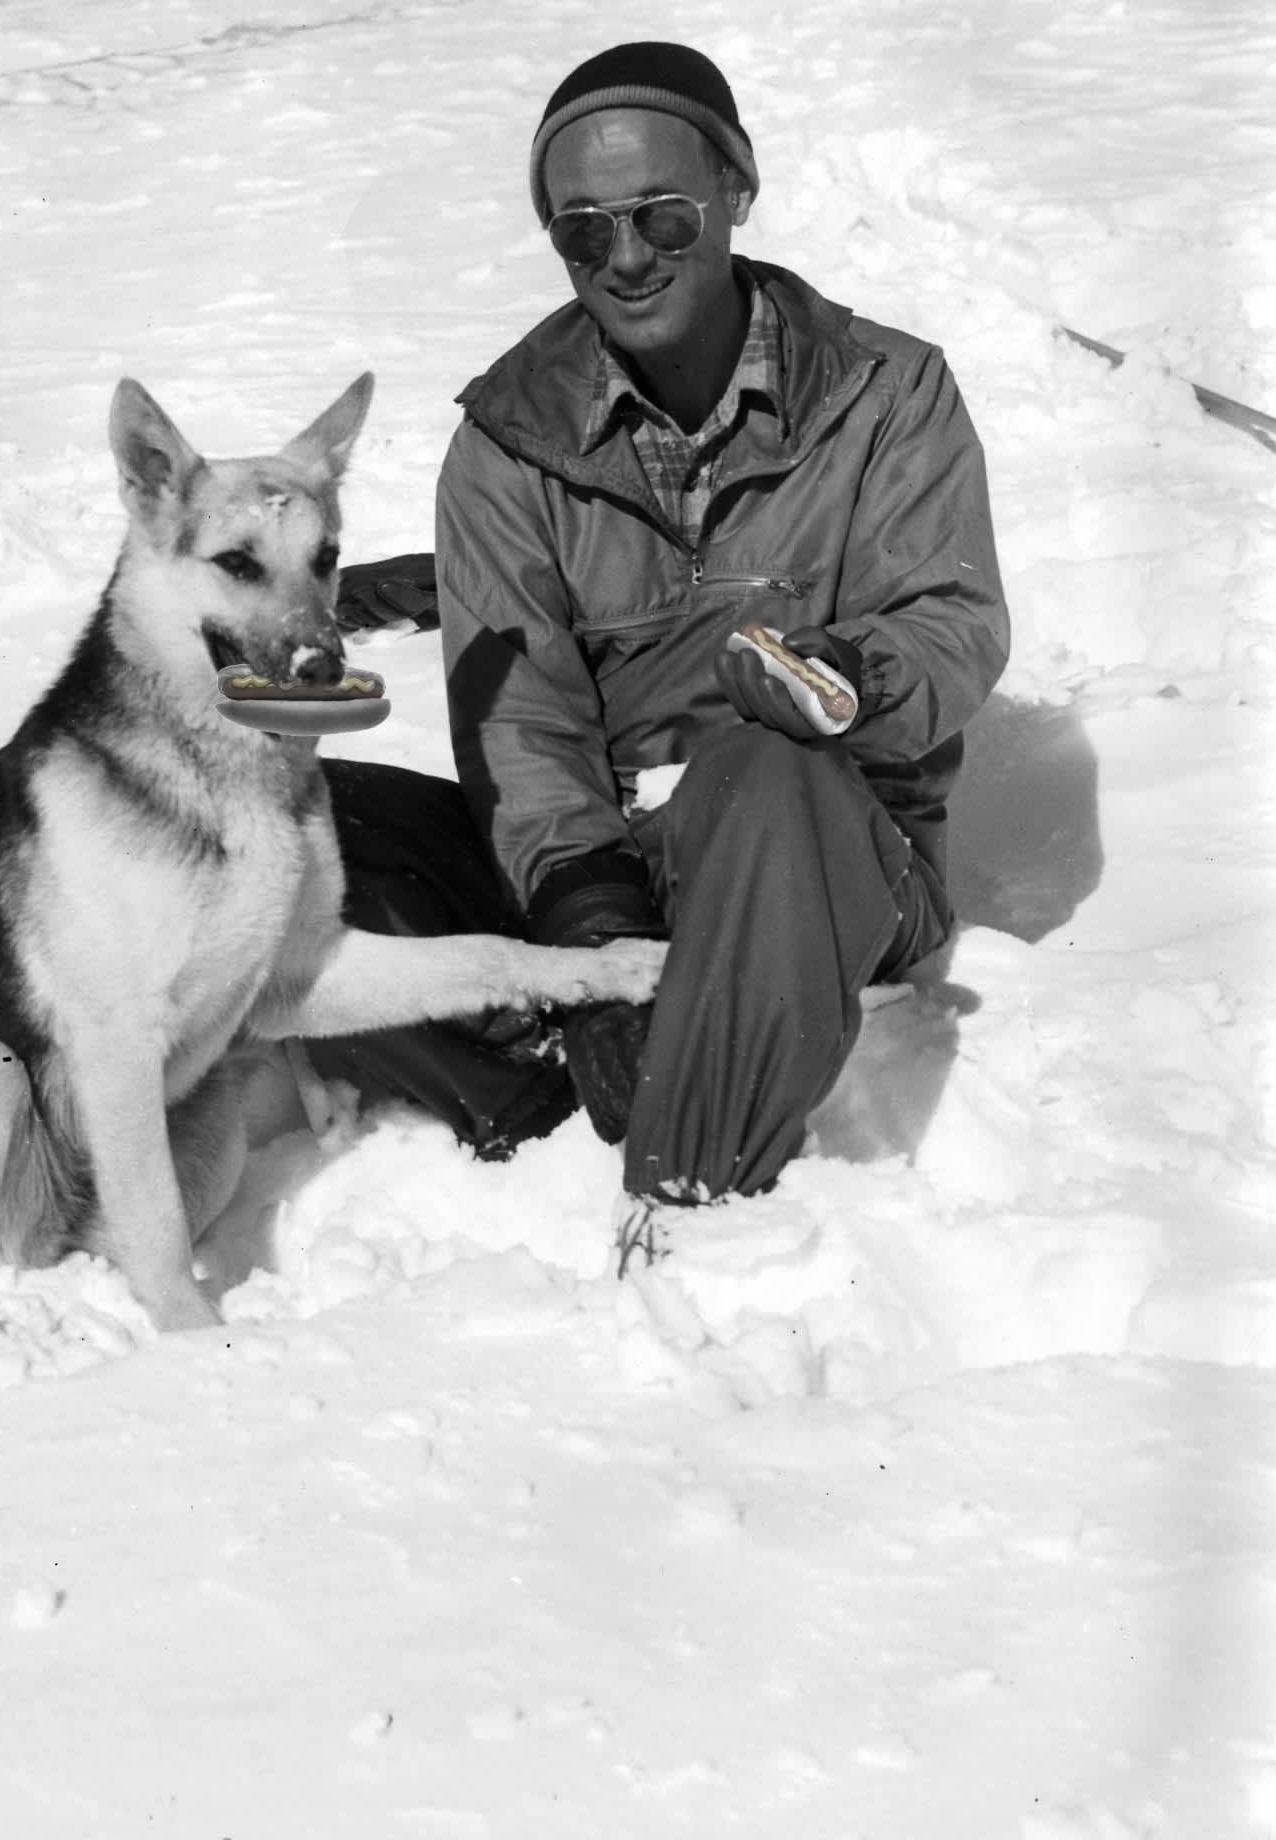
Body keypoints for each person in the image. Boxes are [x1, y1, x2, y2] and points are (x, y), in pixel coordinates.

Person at [313, 41, 1007, 1251]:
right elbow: (520, 713)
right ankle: (549, 1078)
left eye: (661, 215)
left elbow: (952, 620)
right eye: (584, 230)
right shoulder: (507, 442)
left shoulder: (887, 393)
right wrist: (589, 925)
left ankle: (690, 1199)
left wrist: (852, 681)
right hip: (610, 864)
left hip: (829, 836)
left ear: (736, 193)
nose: (625, 255)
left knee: (765, 773)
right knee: (295, 829)